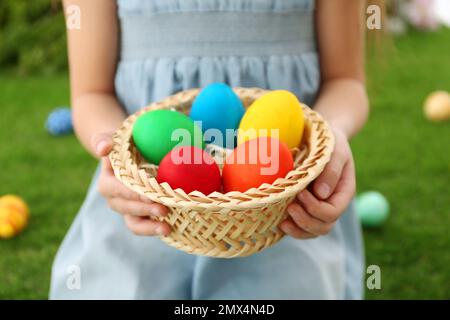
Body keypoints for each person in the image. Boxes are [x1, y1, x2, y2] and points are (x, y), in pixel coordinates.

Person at [51, 0, 369, 299]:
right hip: (144, 204)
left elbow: (344, 81)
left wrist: (332, 133)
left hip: (285, 208)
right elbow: (92, 93)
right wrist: (114, 149)